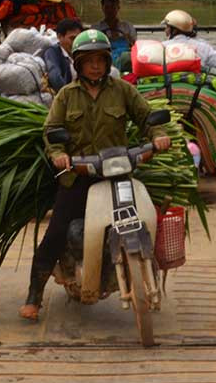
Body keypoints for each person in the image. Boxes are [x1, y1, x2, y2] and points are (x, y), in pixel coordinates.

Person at [19, 29, 171, 321]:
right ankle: (34, 296)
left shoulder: (122, 90)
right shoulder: (66, 96)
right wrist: (58, 154)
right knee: (56, 232)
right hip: (78, 176)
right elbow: (52, 132)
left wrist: (159, 135)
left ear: (106, 61)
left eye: (100, 60)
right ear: (78, 64)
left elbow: (146, 117)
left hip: (117, 174)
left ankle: (145, 268)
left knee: (147, 218)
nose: (96, 66)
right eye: (89, 61)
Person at [40, 17, 83, 93]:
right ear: (60, 37)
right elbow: (55, 77)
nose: (76, 42)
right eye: (72, 38)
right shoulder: (53, 53)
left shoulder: (80, 53)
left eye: (78, 38)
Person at [93, 0, 137, 65]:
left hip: (125, 59)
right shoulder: (96, 28)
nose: (110, 10)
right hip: (103, 58)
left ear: (118, 8)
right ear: (102, 8)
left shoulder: (127, 26)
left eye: (113, 7)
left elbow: (134, 46)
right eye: (107, 7)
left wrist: (128, 38)